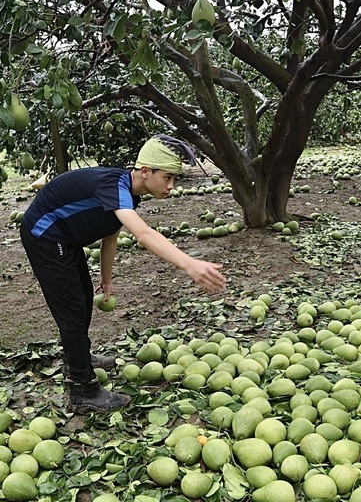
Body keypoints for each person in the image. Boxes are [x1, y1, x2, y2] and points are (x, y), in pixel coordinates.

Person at [20, 134, 226, 412]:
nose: (171, 186)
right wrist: (189, 263)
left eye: (174, 179)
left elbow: (111, 235)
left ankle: (78, 357)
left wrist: (106, 278)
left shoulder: (127, 194)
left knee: (82, 297)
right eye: (167, 177)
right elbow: (142, 234)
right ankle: (82, 389)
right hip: (44, 234)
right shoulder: (114, 185)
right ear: (145, 171)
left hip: (64, 238)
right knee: (72, 309)